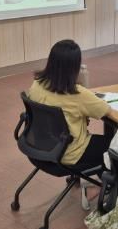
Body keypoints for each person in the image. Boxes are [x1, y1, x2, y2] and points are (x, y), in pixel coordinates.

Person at [27, 40, 111, 169]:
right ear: (75, 67)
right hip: (68, 153)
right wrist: (82, 84)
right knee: (116, 148)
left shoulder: (36, 84)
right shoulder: (77, 94)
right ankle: (107, 180)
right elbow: (105, 110)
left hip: (39, 147)